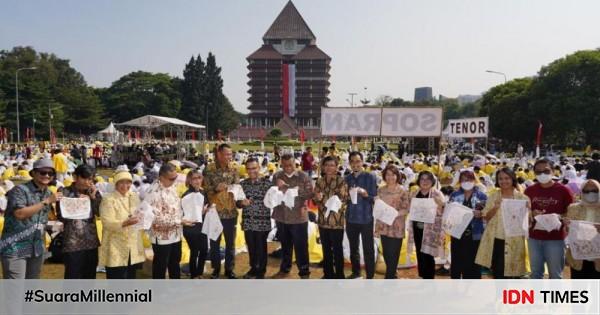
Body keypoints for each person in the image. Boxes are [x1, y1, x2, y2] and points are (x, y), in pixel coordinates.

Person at [0, 159, 61, 279]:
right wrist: (46, 202)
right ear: (33, 173)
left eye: (50, 173)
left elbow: (41, 219)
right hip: (16, 247)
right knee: (15, 291)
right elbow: (20, 214)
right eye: (43, 172)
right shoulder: (19, 190)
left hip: (37, 248)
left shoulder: (48, 193)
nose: (47, 175)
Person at [476, 168, 530, 278]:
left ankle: (510, 295)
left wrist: (529, 211)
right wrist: (495, 208)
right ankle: (499, 294)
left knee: (514, 270)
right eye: (500, 178)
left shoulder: (522, 198)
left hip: (515, 239)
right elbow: (486, 218)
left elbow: (528, 221)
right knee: (498, 270)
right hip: (497, 238)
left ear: (512, 179)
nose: (503, 181)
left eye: (507, 178)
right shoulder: (493, 196)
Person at [525, 158, 573, 279]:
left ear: (553, 171)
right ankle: (537, 297)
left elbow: (572, 212)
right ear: (534, 173)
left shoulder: (563, 190)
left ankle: (553, 298)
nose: (542, 174)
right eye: (538, 171)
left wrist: (559, 217)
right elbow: (523, 212)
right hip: (534, 238)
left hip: (555, 238)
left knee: (555, 275)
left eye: (546, 171)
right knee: (535, 273)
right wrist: (532, 213)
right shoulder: (529, 191)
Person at [271, 154, 313, 279]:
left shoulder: (303, 176)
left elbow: (310, 194)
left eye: (290, 165)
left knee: (301, 246)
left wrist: (290, 189)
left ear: (295, 163)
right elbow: (271, 194)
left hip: (298, 217)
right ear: (281, 165)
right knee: (285, 245)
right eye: (284, 166)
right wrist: (276, 187)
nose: (287, 168)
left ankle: (304, 271)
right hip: (281, 216)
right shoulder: (277, 176)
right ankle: (285, 268)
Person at [56, 164, 102, 279]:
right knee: (73, 278)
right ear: (75, 177)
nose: (88, 182)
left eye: (91, 179)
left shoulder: (94, 192)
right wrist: (77, 204)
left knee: (90, 277)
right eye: (85, 178)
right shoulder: (64, 192)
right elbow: (61, 216)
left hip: (91, 242)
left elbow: (100, 213)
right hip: (72, 243)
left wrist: (93, 198)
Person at [203, 143, 240, 279]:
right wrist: (215, 189)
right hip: (215, 213)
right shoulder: (209, 169)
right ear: (218, 154)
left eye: (231, 154)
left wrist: (233, 189)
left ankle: (229, 269)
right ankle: (216, 269)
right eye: (226, 154)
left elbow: (237, 187)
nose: (229, 157)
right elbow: (205, 190)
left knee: (231, 243)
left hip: (230, 212)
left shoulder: (234, 169)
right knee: (214, 243)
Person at [99, 171, 145, 279]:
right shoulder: (109, 199)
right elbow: (107, 223)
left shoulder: (134, 196)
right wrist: (125, 223)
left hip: (132, 244)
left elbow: (139, 213)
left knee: (130, 277)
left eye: (128, 182)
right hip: (116, 245)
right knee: (117, 278)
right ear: (116, 184)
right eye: (121, 183)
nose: (125, 186)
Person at [313, 156, 349, 279]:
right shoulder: (319, 181)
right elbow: (315, 200)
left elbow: (342, 201)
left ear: (336, 167)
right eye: (326, 165)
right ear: (323, 167)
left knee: (337, 250)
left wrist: (323, 198)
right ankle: (328, 274)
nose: (329, 167)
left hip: (336, 222)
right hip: (323, 222)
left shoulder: (341, 181)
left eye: (332, 165)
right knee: (326, 249)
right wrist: (316, 198)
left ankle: (339, 275)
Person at [447, 170, 487, 279]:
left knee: (473, 262)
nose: (466, 182)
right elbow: (448, 213)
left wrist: (482, 214)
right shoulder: (454, 195)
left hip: (475, 234)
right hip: (457, 233)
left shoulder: (482, 196)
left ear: (475, 180)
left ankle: (471, 289)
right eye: (463, 179)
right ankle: (456, 288)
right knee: (457, 261)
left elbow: (488, 214)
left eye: (469, 179)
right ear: (459, 181)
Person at [147, 163, 183, 279]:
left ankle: (175, 289)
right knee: (161, 266)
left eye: (175, 177)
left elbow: (176, 207)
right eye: (171, 179)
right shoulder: (153, 192)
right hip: (162, 236)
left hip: (176, 234)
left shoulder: (171, 187)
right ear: (161, 177)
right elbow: (156, 218)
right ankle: (159, 292)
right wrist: (180, 221)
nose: (174, 181)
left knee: (175, 262)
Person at [237, 157, 272, 279]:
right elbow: (237, 203)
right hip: (248, 222)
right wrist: (242, 203)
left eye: (254, 168)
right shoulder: (242, 184)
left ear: (259, 168)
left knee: (261, 248)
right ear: (246, 170)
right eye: (249, 168)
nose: (252, 171)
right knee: (251, 247)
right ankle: (253, 268)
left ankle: (260, 272)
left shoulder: (268, 184)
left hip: (262, 223)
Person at [344, 151, 377, 279]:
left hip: (366, 218)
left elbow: (374, 198)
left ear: (362, 162)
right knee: (353, 248)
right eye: (352, 161)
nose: (355, 164)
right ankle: (356, 272)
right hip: (351, 218)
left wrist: (366, 194)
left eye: (358, 161)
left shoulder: (370, 177)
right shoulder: (347, 179)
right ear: (350, 163)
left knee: (368, 249)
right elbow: (345, 200)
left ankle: (370, 276)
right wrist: (345, 196)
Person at [374, 165, 409, 279]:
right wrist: (377, 227)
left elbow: (407, 208)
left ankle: (389, 277)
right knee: (386, 253)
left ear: (397, 176)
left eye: (393, 174)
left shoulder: (403, 190)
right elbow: (378, 209)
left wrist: (394, 214)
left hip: (396, 225)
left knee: (394, 253)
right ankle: (392, 274)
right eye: (388, 174)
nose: (390, 177)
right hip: (384, 225)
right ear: (384, 176)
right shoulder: (380, 190)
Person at [408, 171, 445, 279]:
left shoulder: (437, 194)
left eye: (428, 179)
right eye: (422, 179)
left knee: (428, 254)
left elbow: (443, 211)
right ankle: (422, 276)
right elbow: (409, 208)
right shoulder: (414, 193)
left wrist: (440, 204)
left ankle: (429, 278)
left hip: (431, 230)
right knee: (420, 253)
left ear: (432, 181)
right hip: (417, 228)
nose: (425, 182)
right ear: (418, 181)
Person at [564, 179, 600, 279]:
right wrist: (567, 225)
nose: (590, 193)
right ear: (581, 193)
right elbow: (569, 231)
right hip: (578, 258)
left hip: (597, 259)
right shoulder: (573, 208)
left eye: (594, 190)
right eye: (586, 191)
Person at [181, 169, 209, 279]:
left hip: (202, 226)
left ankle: (199, 272)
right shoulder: (186, 195)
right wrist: (200, 212)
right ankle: (194, 275)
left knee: (204, 250)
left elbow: (205, 208)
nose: (197, 180)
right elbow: (186, 213)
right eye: (194, 178)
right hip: (191, 227)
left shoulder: (203, 193)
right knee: (194, 251)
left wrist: (206, 211)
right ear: (189, 181)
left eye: (199, 177)